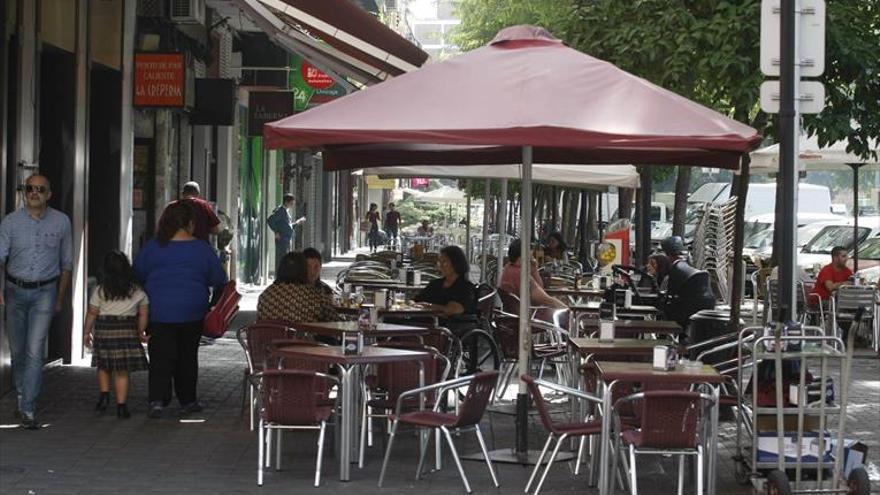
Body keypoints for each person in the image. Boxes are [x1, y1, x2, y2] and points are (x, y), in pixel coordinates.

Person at [134, 201, 227, 419]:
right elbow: (219, 280)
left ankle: (157, 399)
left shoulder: (153, 247)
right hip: (193, 311)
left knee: (160, 356)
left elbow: (138, 275)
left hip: (159, 311)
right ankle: (188, 400)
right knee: (187, 356)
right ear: (190, 224)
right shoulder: (203, 249)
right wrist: (211, 305)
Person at [0, 174, 72, 429]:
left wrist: (60, 298)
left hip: (45, 292)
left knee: (34, 350)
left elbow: (66, 265)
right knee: (18, 352)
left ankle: (28, 407)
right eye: (30, 188)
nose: (34, 193)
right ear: (24, 192)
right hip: (15, 291)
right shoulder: (10, 222)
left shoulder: (61, 222)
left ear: (49, 194)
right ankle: (22, 396)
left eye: (40, 189)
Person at [82, 251, 149, 419]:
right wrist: (140, 331)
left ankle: (104, 396)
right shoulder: (137, 291)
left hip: (105, 329)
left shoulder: (100, 290)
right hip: (126, 330)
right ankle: (121, 406)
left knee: (103, 365)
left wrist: (86, 332)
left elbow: (92, 312)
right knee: (122, 371)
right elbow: (143, 314)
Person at [257, 251, 338, 325]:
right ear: (303, 270)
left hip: (269, 340)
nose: (312, 272)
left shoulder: (265, 295)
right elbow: (335, 320)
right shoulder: (314, 296)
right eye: (308, 267)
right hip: (301, 340)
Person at [660, 236, 715, 329]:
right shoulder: (684, 264)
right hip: (706, 300)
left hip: (690, 305)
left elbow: (671, 293)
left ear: (667, 254)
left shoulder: (676, 267)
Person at [499, 239, 567, 309]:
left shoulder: (508, 267)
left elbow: (540, 288)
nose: (532, 256)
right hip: (531, 315)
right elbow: (546, 300)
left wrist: (534, 270)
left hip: (513, 313)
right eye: (530, 253)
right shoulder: (521, 275)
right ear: (524, 255)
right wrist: (567, 310)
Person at [414, 245, 477, 318]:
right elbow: (415, 300)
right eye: (439, 262)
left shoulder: (465, 287)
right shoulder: (435, 284)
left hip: (450, 327)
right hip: (426, 323)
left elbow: (453, 309)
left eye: (444, 262)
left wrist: (428, 305)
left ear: (456, 264)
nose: (440, 266)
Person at [268, 194, 305, 270]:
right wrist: (276, 232)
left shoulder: (286, 212)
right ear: (286, 202)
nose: (292, 205)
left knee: (285, 259)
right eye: (291, 203)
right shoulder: (280, 211)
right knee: (282, 259)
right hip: (282, 240)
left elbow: (288, 226)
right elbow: (270, 220)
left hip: (286, 240)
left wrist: (297, 223)